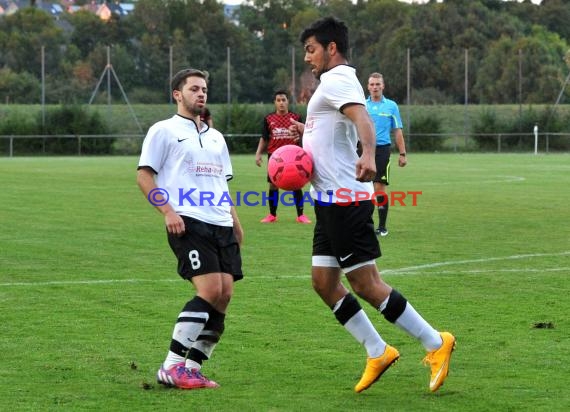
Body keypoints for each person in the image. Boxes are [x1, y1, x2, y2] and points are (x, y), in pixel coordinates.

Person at [289, 16, 455, 393]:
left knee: (365, 283)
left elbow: (361, 117)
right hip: (328, 201)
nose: (307, 58)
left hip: (347, 198)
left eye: (311, 49)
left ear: (332, 48)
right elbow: (338, 124)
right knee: (324, 282)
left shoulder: (339, 77)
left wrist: (367, 154)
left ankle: (435, 342)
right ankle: (377, 350)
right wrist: (307, 133)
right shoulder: (329, 84)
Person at [137, 68, 244, 390]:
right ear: (177, 94)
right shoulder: (164, 130)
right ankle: (171, 366)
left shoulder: (216, 137)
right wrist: (167, 211)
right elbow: (144, 176)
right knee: (210, 290)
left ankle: (193, 368)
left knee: (224, 295)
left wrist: (235, 222)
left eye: (204, 90)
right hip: (188, 220)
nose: (201, 94)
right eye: (194, 89)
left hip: (220, 222)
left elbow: (221, 185)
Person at [255, 90, 311, 224]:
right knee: (273, 185)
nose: (281, 103)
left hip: (294, 156)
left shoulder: (295, 117)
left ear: (288, 102)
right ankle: (272, 215)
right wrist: (258, 153)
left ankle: (301, 215)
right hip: (275, 157)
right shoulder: (268, 119)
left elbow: (305, 135)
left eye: (283, 100)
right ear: (275, 102)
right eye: (278, 100)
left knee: (297, 184)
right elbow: (264, 138)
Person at [366, 72, 407, 236]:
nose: (375, 87)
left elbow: (397, 131)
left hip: (382, 150)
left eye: (378, 84)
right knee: (362, 188)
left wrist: (402, 153)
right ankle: (364, 225)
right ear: (368, 87)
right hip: (363, 149)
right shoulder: (362, 105)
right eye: (372, 84)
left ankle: (382, 227)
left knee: (378, 188)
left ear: (383, 86)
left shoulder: (391, 106)